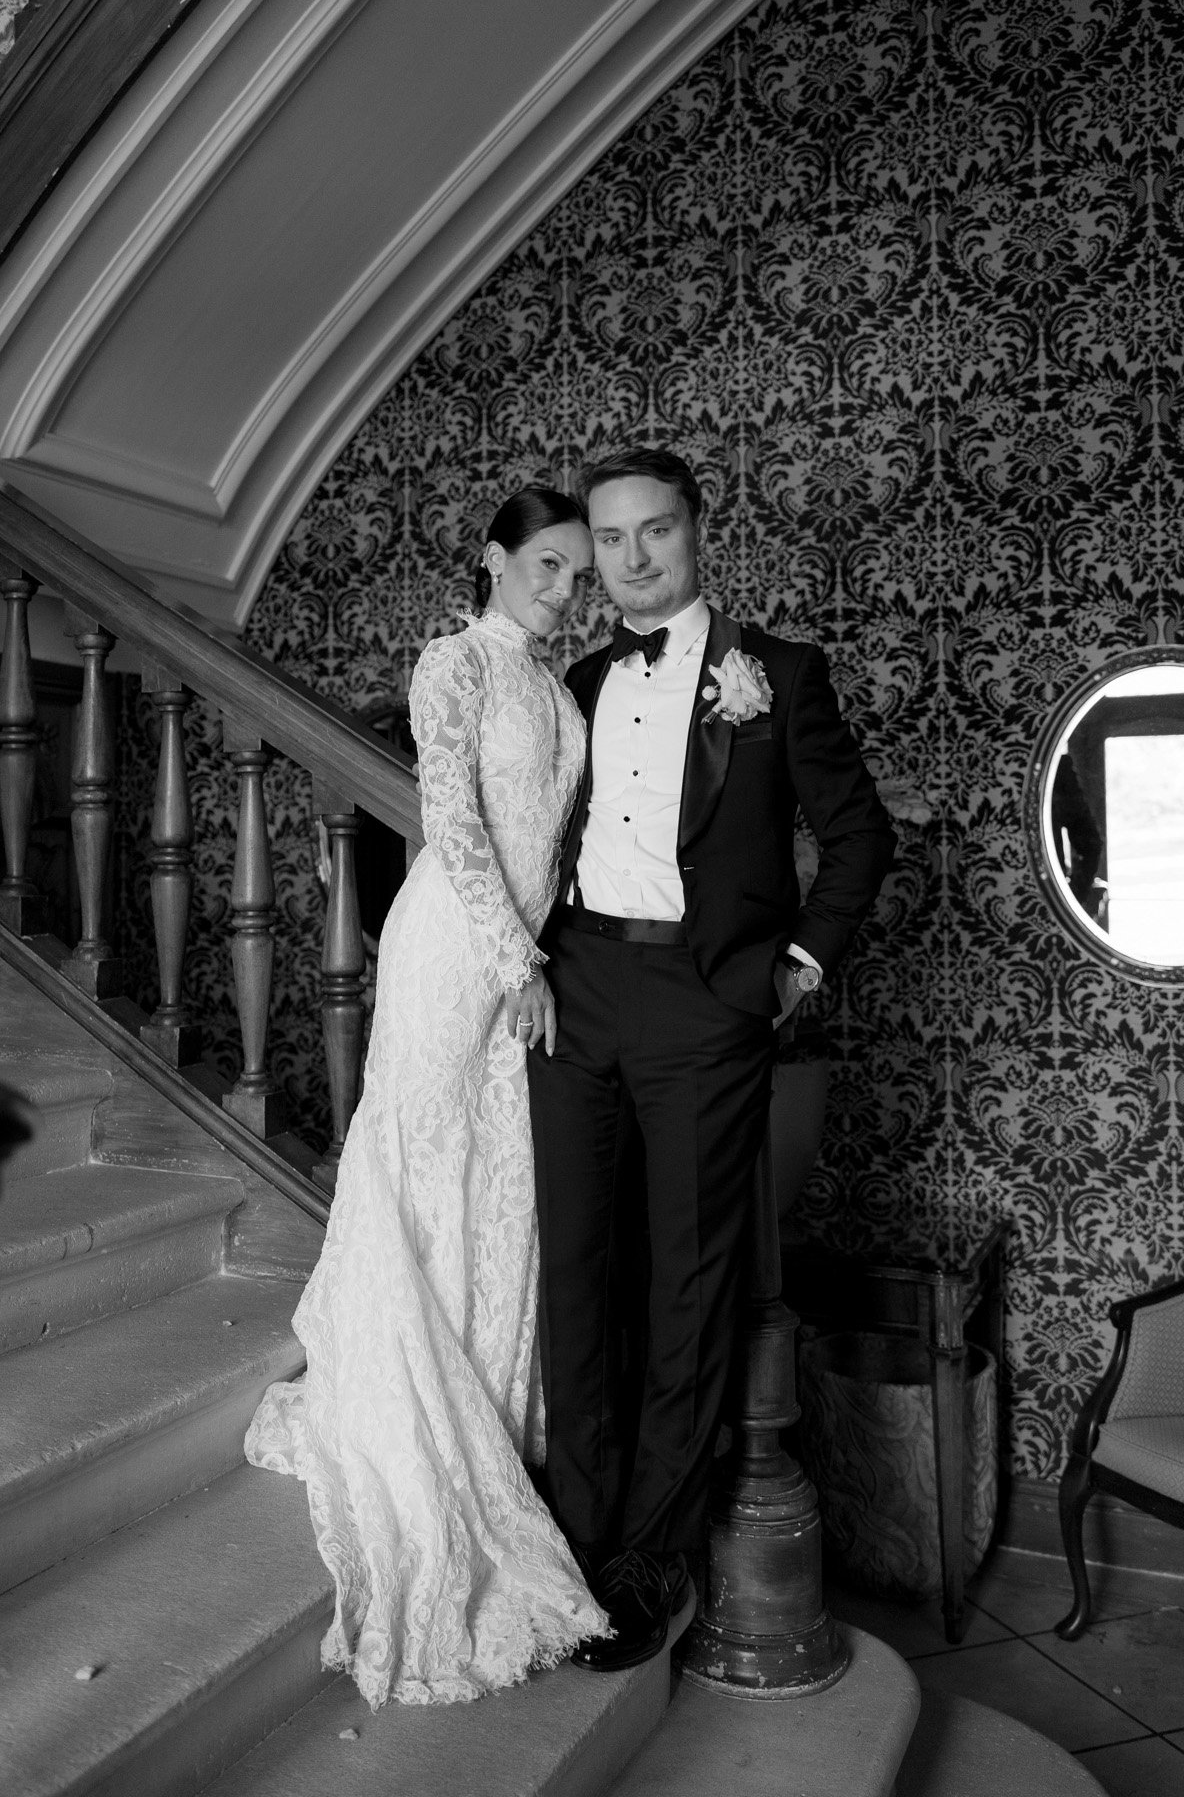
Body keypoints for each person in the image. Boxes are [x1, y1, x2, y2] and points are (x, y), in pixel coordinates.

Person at [527, 448, 897, 1670]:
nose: (632, 557)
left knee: (688, 1286)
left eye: (656, 532)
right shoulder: (574, 680)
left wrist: (793, 964)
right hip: (579, 989)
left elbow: (859, 837)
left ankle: (646, 1555)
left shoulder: (778, 675)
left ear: (697, 532)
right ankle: (576, 1537)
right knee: (578, 1276)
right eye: (612, 536)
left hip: (705, 1002)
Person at [245, 485, 609, 1708]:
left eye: (576, 574)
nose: (565, 590)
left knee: (496, 1179)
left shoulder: (561, 691)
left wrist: (545, 962)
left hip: (526, 961)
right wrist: (516, 965)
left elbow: (562, 847)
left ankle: (492, 1420)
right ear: (495, 560)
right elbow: (450, 821)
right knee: (429, 1158)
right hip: (454, 949)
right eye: (546, 566)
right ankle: (417, 1419)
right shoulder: (452, 662)